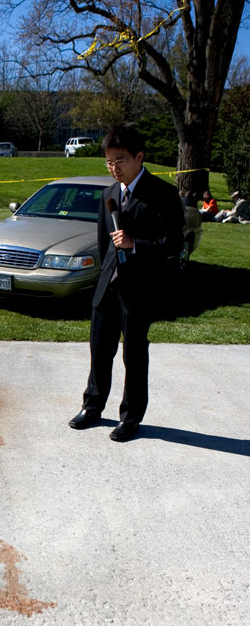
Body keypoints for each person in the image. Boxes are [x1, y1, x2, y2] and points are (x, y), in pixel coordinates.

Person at [69, 124, 184, 441]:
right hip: (108, 286)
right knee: (99, 349)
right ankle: (92, 408)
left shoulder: (163, 194)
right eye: (108, 161)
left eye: (120, 160)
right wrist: (103, 276)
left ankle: (131, 418)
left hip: (140, 289)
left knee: (134, 354)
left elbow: (173, 243)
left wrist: (135, 244)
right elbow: (104, 245)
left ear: (139, 157)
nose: (113, 167)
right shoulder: (108, 194)